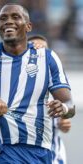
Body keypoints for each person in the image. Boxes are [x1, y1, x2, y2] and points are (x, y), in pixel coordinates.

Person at [0, 3, 75, 163]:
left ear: (28, 26)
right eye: (3, 18)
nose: (8, 21)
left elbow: (69, 104)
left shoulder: (47, 58)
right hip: (3, 149)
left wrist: (62, 108)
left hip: (40, 151)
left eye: (15, 17)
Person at [28, 34, 72, 164]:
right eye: (34, 46)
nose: (39, 50)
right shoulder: (15, 83)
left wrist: (65, 121)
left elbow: (69, 108)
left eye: (44, 48)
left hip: (52, 157)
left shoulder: (56, 83)